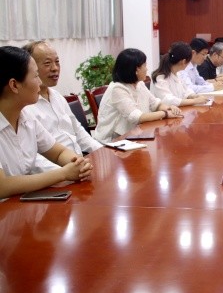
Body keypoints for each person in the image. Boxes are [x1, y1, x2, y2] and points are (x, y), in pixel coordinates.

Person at [0, 46, 92, 199]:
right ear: (14, 85)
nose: (39, 82)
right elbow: (2, 186)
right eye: (36, 76)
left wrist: (77, 163)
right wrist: (64, 173)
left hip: (24, 203)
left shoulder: (26, 118)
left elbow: (58, 152)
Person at [21, 41, 103, 172]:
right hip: (53, 174)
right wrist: (65, 173)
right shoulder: (25, 106)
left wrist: (102, 151)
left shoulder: (57, 97)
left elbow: (79, 132)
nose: (55, 68)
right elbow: (33, 158)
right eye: (47, 63)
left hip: (78, 164)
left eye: (57, 62)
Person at [94, 48, 182, 143]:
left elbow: (155, 104)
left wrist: (169, 108)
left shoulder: (139, 84)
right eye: (144, 65)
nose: (147, 69)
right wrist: (165, 114)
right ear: (136, 69)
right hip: (112, 142)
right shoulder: (117, 89)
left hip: (134, 136)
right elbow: (137, 117)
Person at [151, 42, 210, 107]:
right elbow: (169, 100)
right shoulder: (160, 78)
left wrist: (195, 96)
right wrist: (195, 101)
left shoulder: (178, 73)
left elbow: (186, 90)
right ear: (184, 61)